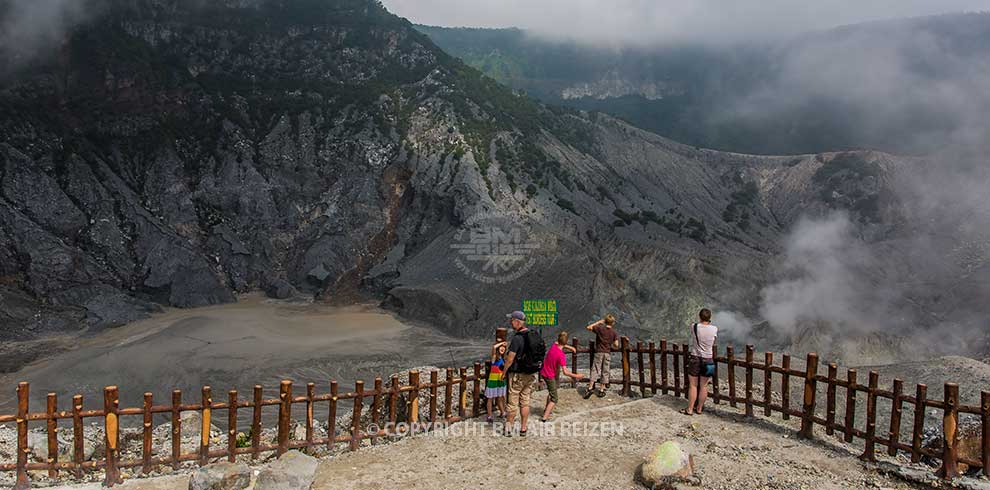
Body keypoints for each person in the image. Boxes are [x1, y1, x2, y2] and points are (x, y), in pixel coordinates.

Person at [503, 310, 545, 436]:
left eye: (512, 320)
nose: (511, 322)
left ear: (517, 322)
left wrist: (504, 372)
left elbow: (510, 359)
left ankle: (509, 429)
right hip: (530, 373)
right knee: (525, 401)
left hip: (517, 374)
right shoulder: (532, 335)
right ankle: (523, 428)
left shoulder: (517, 338)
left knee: (512, 403)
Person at [540, 331, 585, 422]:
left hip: (543, 372)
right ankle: (544, 417)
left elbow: (559, 343)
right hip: (549, 375)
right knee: (554, 398)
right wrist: (577, 376)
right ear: (566, 341)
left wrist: (570, 347)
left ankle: (546, 409)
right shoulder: (561, 355)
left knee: (551, 391)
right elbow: (565, 372)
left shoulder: (554, 346)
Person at [683, 308, 718, 415]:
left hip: (695, 358)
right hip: (708, 359)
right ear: (710, 317)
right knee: (704, 386)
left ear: (700, 316)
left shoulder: (694, 327)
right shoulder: (714, 329)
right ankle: (699, 409)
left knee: (693, 385)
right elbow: (714, 341)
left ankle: (689, 409)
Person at [583, 314, 619, 399]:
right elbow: (616, 345)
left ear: (605, 321)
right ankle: (602, 390)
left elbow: (589, 327)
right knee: (605, 371)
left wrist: (599, 322)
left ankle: (590, 387)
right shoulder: (614, 332)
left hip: (599, 352)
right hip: (607, 353)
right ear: (612, 323)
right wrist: (611, 342)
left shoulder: (600, 328)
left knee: (595, 369)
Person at [484, 340, 508, 422]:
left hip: (500, 380)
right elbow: (494, 347)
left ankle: (503, 412)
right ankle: (489, 416)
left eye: (504, 348)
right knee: (490, 398)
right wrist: (502, 343)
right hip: (493, 380)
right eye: (501, 347)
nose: (502, 348)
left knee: (500, 397)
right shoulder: (494, 358)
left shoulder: (503, 358)